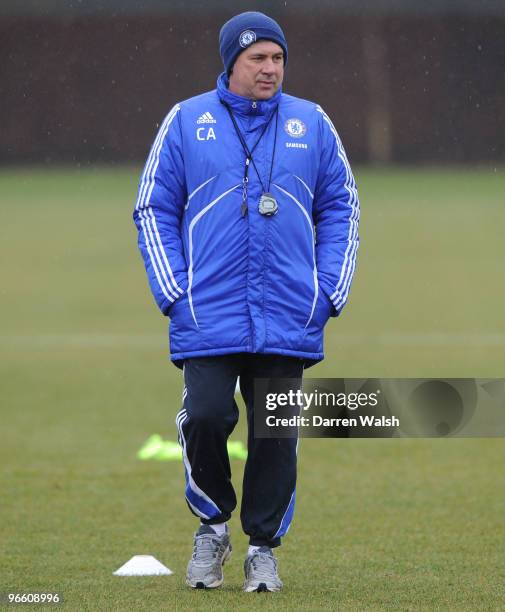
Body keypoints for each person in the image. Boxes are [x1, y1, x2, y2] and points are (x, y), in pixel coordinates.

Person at [133, 11, 359, 593]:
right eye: (258, 58)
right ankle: (211, 529)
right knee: (206, 416)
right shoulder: (187, 121)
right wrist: (174, 290)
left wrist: (327, 287)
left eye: (278, 58)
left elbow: (342, 208)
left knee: (275, 434)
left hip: (289, 311)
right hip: (207, 311)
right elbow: (152, 207)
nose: (271, 68)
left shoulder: (312, 123)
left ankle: (263, 549)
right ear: (231, 62)